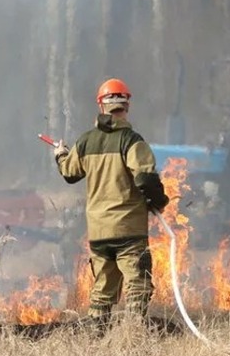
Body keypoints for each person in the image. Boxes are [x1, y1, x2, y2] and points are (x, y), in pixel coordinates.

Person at [53, 78, 170, 325]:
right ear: (126, 104)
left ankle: (96, 338)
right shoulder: (132, 141)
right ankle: (133, 336)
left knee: (103, 291)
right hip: (128, 229)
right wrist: (159, 202)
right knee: (138, 284)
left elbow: (69, 173)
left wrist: (61, 154)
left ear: (101, 105)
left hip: (98, 232)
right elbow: (146, 178)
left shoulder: (85, 142)